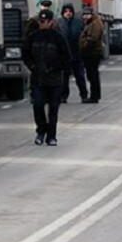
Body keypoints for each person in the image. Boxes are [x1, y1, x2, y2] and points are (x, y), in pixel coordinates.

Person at [21, 9, 70, 145]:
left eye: (44, 21)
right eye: (40, 21)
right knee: (37, 105)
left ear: (51, 22)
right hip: (38, 79)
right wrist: (32, 66)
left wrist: (56, 68)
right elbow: (25, 54)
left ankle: (51, 136)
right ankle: (41, 130)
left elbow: (66, 57)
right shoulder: (33, 37)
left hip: (54, 80)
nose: (41, 24)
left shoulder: (58, 38)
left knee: (53, 109)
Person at [58, 4, 88, 102]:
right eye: (66, 11)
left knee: (80, 76)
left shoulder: (78, 22)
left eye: (70, 11)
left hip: (77, 53)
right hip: (64, 55)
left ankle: (84, 95)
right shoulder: (59, 23)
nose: (68, 13)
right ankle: (63, 96)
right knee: (64, 78)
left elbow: (84, 34)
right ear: (63, 13)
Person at [79, 7, 105, 104]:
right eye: (84, 15)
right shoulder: (91, 23)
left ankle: (94, 96)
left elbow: (93, 38)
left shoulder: (95, 23)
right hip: (90, 53)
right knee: (92, 75)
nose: (85, 17)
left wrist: (83, 44)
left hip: (92, 53)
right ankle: (94, 95)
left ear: (91, 14)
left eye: (87, 14)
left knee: (93, 74)